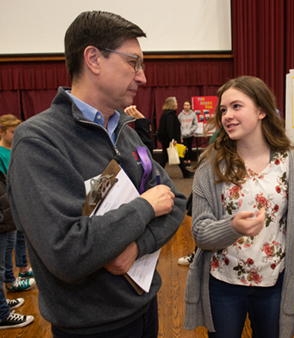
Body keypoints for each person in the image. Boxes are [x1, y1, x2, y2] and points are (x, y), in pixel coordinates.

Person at [7, 11, 186, 338]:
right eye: (134, 62)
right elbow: (67, 251)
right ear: (93, 59)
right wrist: (144, 207)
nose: (142, 77)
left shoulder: (125, 133)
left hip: (145, 308)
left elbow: (174, 201)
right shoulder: (39, 141)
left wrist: (136, 246)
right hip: (90, 328)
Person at [184, 76, 294, 338]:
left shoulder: (292, 163)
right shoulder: (211, 164)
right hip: (224, 284)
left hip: (275, 284)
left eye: (236, 106)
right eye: (223, 109)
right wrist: (232, 227)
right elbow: (201, 233)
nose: (227, 115)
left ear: (261, 110)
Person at [0, 115, 35, 293]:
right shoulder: (0, 153)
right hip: (7, 205)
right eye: (12, 132)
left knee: (22, 237)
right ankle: (10, 279)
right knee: (8, 246)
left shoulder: (17, 148)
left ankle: (22, 269)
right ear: (2, 132)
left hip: (21, 198)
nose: (16, 135)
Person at [157, 97, 194, 178]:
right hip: (169, 139)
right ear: (172, 104)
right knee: (166, 156)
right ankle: (158, 173)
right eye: (176, 102)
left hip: (166, 138)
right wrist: (173, 139)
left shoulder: (166, 113)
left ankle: (185, 172)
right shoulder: (170, 115)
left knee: (170, 156)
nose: (177, 104)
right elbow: (170, 128)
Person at [178, 100, 198, 168]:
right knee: (183, 148)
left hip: (190, 134)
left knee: (189, 148)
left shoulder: (193, 114)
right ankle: (184, 161)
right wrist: (181, 133)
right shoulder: (180, 115)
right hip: (182, 135)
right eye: (185, 105)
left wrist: (190, 131)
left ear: (190, 106)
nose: (186, 106)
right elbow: (178, 125)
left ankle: (189, 160)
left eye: (187, 105)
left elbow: (195, 125)